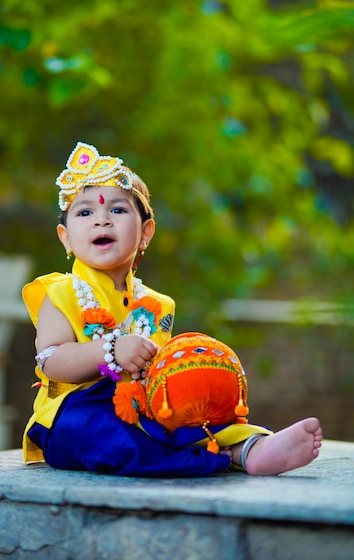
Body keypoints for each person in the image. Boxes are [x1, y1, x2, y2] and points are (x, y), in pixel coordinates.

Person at [22, 142, 322, 477]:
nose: (101, 220)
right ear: (65, 237)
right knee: (102, 430)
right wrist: (109, 349)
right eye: (85, 212)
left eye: (118, 211)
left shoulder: (157, 304)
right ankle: (221, 458)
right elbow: (52, 362)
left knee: (190, 404)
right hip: (71, 412)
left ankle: (251, 447)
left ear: (145, 232)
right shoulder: (60, 292)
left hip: (142, 402)